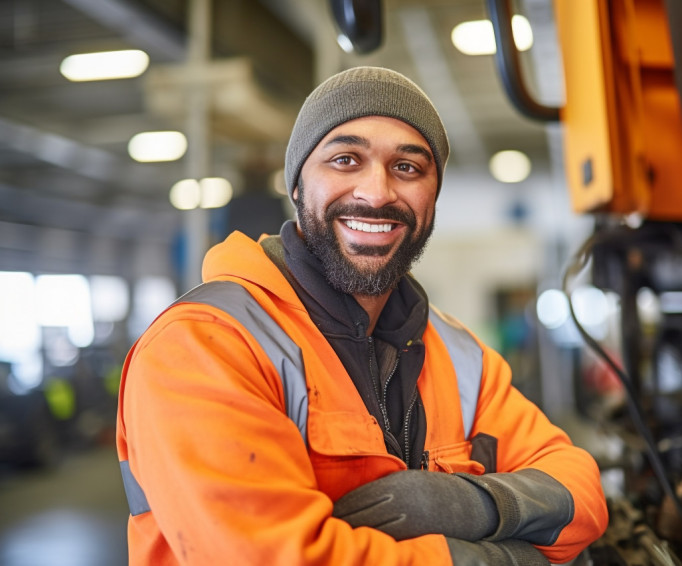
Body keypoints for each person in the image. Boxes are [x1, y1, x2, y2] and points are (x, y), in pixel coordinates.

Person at [116, 66, 608, 565]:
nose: (376, 194)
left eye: (408, 167)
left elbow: (581, 491)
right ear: (297, 185)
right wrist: (504, 560)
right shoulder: (205, 345)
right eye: (346, 159)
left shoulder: (460, 355)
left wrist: (476, 506)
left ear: (432, 197)